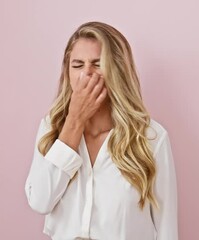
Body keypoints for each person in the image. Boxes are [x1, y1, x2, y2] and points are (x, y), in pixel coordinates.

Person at [24, 21, 178, 240]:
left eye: (97, 64)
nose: (87, 74)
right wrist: (74, 122)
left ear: (117, 71)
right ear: (67, 73)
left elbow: (166, 229)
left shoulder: (152, 137)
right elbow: (40, 201)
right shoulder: (51, 128)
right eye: (77, 65)